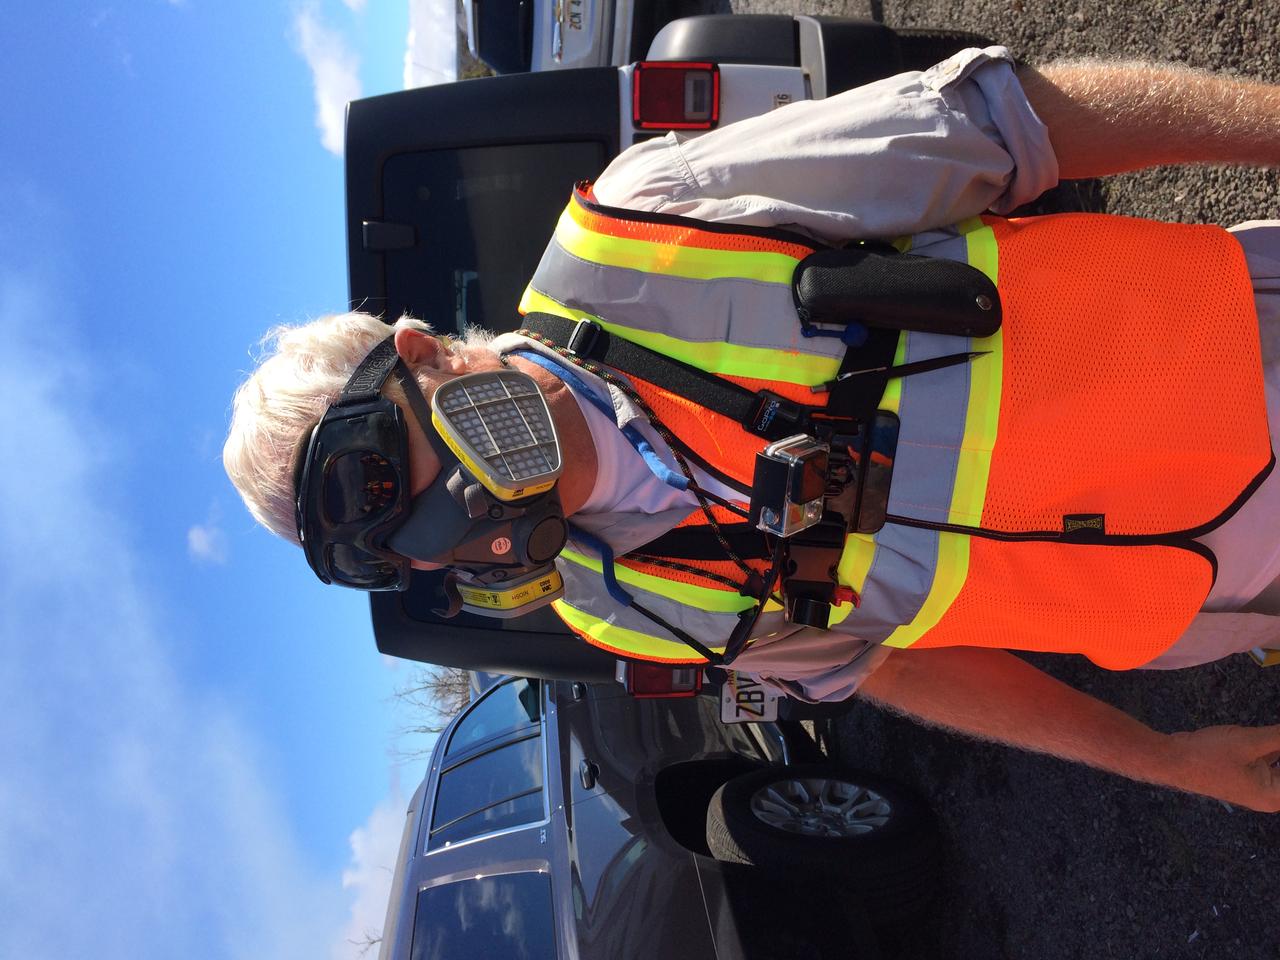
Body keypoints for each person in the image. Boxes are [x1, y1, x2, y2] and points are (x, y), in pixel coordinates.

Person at [225, 48, 1280, 811]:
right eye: (421, 534)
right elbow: (896, 665)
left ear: (418, 350)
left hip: (1243, 357)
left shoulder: (643, 225)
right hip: (1220, 596)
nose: (473, 509)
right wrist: (1161, 759)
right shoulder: (618, 609)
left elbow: (1012, 127)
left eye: (415, 466)